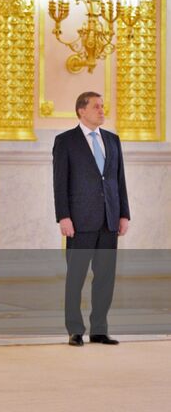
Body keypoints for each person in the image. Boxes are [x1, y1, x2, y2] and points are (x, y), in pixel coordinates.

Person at [53, 91, 130, 346]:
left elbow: (119, 180)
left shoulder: (112, 140)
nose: (101, 110)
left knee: (105, 277)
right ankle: (75, 329)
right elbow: (60, 183)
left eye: (103, 106)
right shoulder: (65, 141)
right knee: (76, 277)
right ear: (81, 111)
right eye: (96, 106)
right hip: (79, 222)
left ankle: (99, 328)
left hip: (109, 220)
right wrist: (63, 217)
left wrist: (123, 214)